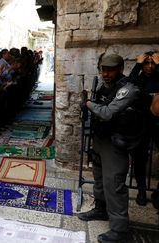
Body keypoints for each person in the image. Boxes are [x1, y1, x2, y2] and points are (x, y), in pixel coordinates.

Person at [78, 54, 143, 242]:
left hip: (116, 143)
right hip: (101, 139)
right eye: (103, 69)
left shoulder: (127, 89)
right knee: (99, 178)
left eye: (110, 70)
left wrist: (88, 103)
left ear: (120, 69)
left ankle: (120, 229)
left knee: (114, 184)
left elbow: (106, 113)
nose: (105, 74)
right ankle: (101, 209)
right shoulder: (104, 86)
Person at [129, 51, 159, 206]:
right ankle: (141, 190)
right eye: (146, 63)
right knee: (140, 158)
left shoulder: (157, 79)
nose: (149, 66)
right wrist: (137, 64)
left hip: (157, 123)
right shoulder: (139, 79)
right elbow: (128, 85)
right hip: (141, 123)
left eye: (152, 63)